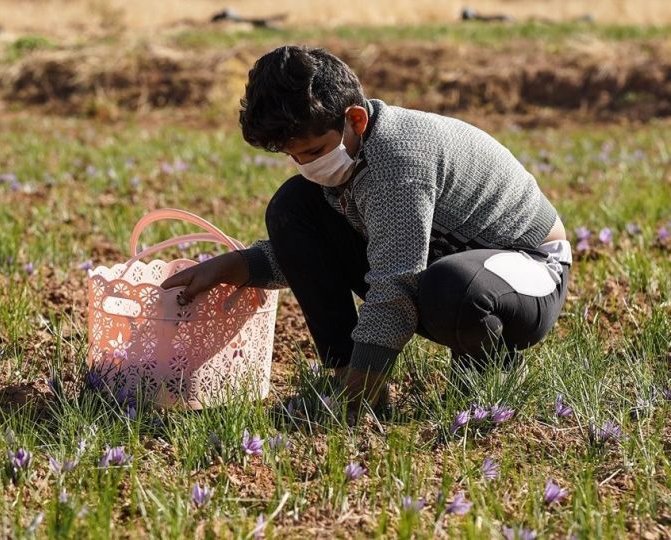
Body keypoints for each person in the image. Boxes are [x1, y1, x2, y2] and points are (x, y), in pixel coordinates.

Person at [161, 45, 571, 414]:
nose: (307, 165)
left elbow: (397, 281)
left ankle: (487, 373)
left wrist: (354, 403)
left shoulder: (398, 161)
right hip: (443, 258)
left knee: (452, 289)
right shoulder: (355, 159)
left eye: (314, 151)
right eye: (293, 156)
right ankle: (345, 375)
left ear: (354, 119)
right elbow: (321, 251)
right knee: (294, 205)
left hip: (528, 272)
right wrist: (233, 267)